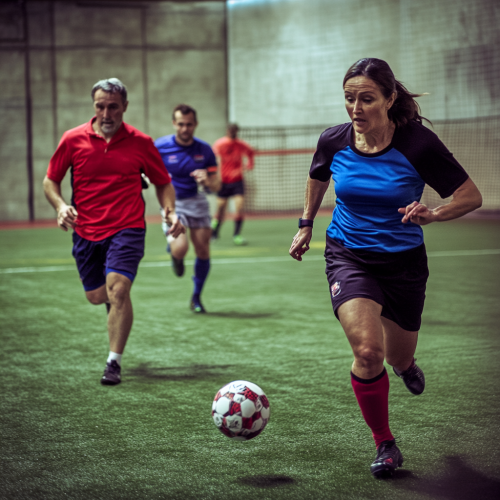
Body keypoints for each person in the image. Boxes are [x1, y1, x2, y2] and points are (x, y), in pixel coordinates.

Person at [289, 58, 482, 478]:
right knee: (368, 351)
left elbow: (470, 196)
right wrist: (306, 224)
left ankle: (406, 365)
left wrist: (434, 213)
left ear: (390, 98)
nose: (355, 108)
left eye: (366, 99)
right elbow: (317, 175)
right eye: (349, 99)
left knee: (396, 354)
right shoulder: (334, 140)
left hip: (404, 264)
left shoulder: (418, 144)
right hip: (348, 254)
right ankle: (385, 442)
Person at [43, 78, 184, 386]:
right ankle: (112, 305)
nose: (106, 114)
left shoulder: (141, 142)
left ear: (125, 107)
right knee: (97, 296)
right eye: (100, 106)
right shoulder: (72, 139)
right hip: (86, 230)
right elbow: (50, 180)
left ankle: (113, 362)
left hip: (127, 227)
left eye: (113, 107)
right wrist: (60, 206)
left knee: (119, 290)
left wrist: (169, 212)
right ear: (94, 106)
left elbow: (162, 182)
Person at [154, 104, 220, 313]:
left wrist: (207, 180)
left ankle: (196, 297)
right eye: (180, 124)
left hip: (197, 201)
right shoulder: (160, 147)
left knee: (203, 249)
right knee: (181, 248)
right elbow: (144, 170)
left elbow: (217, 185)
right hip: (172, 203)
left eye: (189, 124)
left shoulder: (204, 150)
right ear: (174, 123)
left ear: (195, 124)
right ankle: (175, 255)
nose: (184, 129)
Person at [211, 123, 255, 245]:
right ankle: (214, 232)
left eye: (234, 131)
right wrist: (214, 174)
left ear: (237, 131)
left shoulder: (241, 144)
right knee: (220, 210)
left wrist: (249, 165)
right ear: (227, 131)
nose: (232, 133)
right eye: (230, 131)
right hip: (224, 182)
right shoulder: (220, 144)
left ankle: (237, 235)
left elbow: (251, 153)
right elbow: (210, 157)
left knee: (239, 208)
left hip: (237, 182)